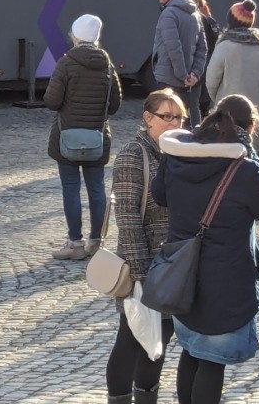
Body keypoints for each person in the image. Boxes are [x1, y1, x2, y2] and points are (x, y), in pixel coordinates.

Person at [154, 95, 259, 404]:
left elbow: (160, 195)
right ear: (249, 128)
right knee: (211, 361)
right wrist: (251, 153)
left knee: (191, 350)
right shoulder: (244, 169)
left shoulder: (178, 155)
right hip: (226, 281)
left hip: (183, 273)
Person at [107, 89, 188, 404]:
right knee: (131, 338)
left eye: (178, 117)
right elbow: (127, 217)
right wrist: (141, 274)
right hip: (141, 264)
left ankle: (147, 398)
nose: (173, 123)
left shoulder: (179, 152)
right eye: (166, 116)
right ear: (148, 118)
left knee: (160, 338)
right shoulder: (134, 153)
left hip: (171, 264)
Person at [44, 14, 122, 261]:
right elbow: (115, 105)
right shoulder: (107, 64)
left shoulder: (66, 63)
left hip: (66, 137)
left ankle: (75, 243)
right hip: (97, 137)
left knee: (71, 188)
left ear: (76, 36)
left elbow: (52, 100)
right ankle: (97, 242)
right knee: (96, 188)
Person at [205, 0, 259, 153]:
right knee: (254, 155)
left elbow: (211, 80)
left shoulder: (224, 46)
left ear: (230, 21)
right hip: (256, 113)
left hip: (229, 112)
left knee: (228, 154)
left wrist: (219, 100)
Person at [152, 0, 207, 126]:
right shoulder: (195, 14)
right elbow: (202, 48)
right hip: (189, 80)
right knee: (183, 122)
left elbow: (173, 48)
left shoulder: (168, 14)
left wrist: (183, 76)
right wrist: (195, 73)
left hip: (169, 79)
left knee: (167, 123)